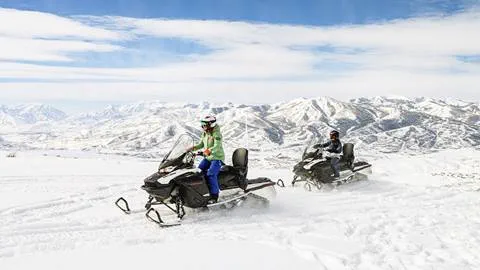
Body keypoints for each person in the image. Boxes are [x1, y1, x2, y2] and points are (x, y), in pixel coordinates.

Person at [191, 115, 225, 204]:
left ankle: (214, 196)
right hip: (208, 158)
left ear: (211, 124)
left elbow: (217, 146)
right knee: (198, 172)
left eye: (204, 124)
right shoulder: (205, 133)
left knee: (211, 174)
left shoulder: (216, 134)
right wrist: (191, 148)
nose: (202, 126)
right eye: (202, 124)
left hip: (217, 158)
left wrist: (208, 151)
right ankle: (202, 193)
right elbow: (201, 144)